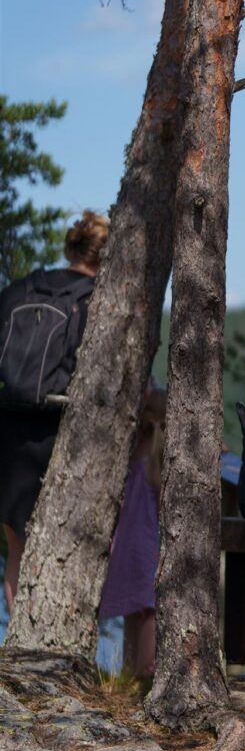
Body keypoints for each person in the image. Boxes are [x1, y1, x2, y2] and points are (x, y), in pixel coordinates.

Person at [0, 210, 106, 612]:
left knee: (17, 552)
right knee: (67, 553)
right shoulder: (99, 300)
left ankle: (17, 648)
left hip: (10, 430)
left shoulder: (23, 288)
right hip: (62, 433)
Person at [98, 383, 166, 679]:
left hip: (125, 544)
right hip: (149, 544)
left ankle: (126, 671)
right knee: (150, 608)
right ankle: (145, 670)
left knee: (132, 610)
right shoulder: (160, 456)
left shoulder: (134, 450)